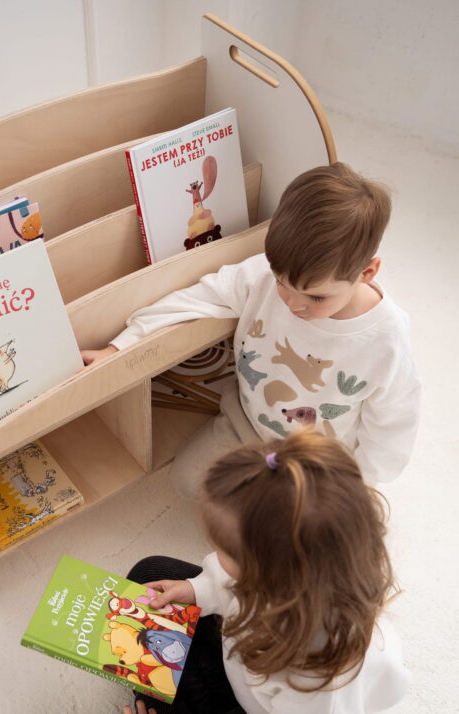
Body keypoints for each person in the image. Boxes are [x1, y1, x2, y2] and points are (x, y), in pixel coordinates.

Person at [81, 163, 420, 495]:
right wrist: (119, 348)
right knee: (189, 480)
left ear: (367, 273)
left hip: (321, 460)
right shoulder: (260, 276)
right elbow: (195, 298)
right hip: (248, 426)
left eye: (316, 297)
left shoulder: (385, 338)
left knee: (296, 531)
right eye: (282, 283)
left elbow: (393, 424)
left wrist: (363, 483)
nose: (293, 304)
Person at [123, 430, 410, 714]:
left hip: (255, 703)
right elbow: (231, 583)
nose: (214, 554)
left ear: (266, 575)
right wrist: (196, 590)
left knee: (153, 674)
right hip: (246, 657)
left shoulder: (316, 683)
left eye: (223, 550)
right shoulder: (305, 575)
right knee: (151, 572)